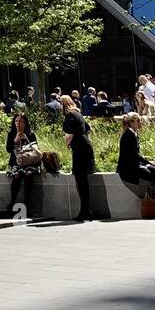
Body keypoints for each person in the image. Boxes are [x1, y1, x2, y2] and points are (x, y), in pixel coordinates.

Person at [60, 94, 95, 222]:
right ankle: (86, 210)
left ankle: (85, 211)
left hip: (79, 148)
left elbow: (68, 132)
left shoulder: (69, 115)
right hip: (85, 145)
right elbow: (88, 128)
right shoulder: (78, 113)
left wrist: (68, 142)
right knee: (84, 180)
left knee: (80, 180)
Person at [5, 114, 41, 212]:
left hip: (30, 162)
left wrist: (26, 140)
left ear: (25, 123)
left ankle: (27, 201)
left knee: (29, 175)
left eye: (21, 121)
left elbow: (35, 148)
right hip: (16, 162)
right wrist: (15, 141)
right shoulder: (11, 133)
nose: (18, 124)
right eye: (16, 121)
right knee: (17, 176)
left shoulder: (30, 133)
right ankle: (13, 201)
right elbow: (8, 149)